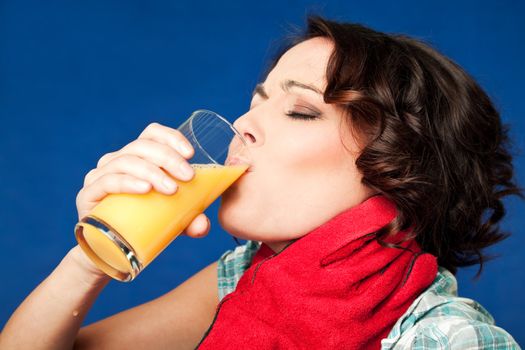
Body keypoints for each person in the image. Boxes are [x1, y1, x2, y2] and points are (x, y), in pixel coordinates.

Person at [0, 15, 523, 349]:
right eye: (256, 101)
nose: (243, 124)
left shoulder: (449, 338)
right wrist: (88, 260)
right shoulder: (249, 277)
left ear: (400, 168)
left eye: (299, 111)